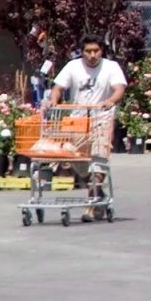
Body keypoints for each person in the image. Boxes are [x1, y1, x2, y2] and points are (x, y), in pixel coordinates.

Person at [45, 37, 125, 216]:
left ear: (101, 51)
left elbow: (119, 88)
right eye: (88, 51)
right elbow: (58, 87)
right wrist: (53, 100)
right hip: (77, 119)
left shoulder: (111, 67)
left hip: (101, 117)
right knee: (76, 159)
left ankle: (90, 205)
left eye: (96, 50)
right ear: (82, 52)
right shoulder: (73, 66)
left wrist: (110, 101)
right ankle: (99, 193)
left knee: (99, 158)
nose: (92, 55)